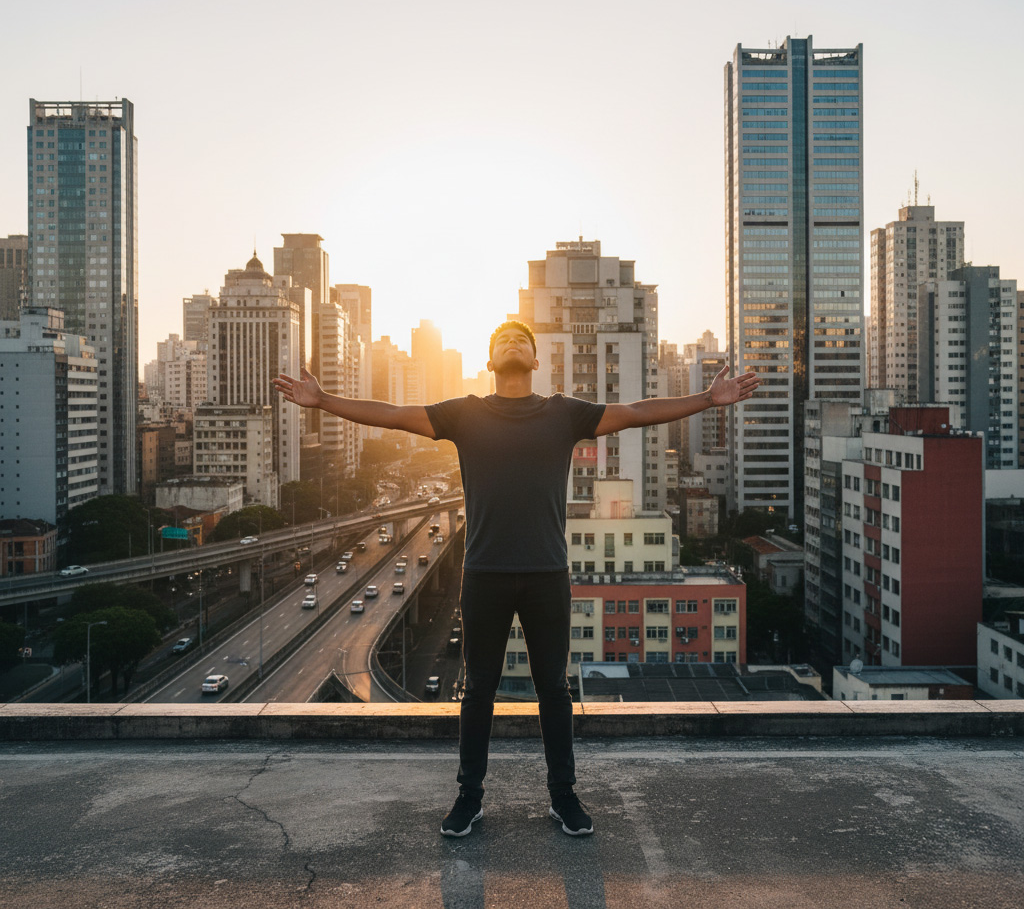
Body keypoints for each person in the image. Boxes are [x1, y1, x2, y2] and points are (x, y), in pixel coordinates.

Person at [273, 320, 759, 838]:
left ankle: (564, 796)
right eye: (502, 339)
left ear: (534, 362)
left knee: (554, 689)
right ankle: (469, 798)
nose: (512, 343)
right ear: (490, 360)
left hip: (548, 573)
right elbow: (392, 416)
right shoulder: (465, 413)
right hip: (484, 573)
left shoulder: (563, 412)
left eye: (521, 340)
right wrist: (323, 402)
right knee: (477, 691)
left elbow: (636, 413)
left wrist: (708, 400)